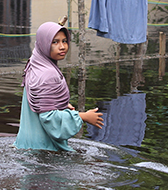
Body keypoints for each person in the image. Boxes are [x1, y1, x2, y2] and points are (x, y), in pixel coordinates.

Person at [14, 22, 104, 151]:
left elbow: (39, 98)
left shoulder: (35, 64)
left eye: (64, 41)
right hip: (44, 150)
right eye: (55, 42)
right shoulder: (48, 74)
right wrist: (83, 116)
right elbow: (49, 118)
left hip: (26, 144)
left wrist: (56, 103)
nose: (62, 47)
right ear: (44, 44)